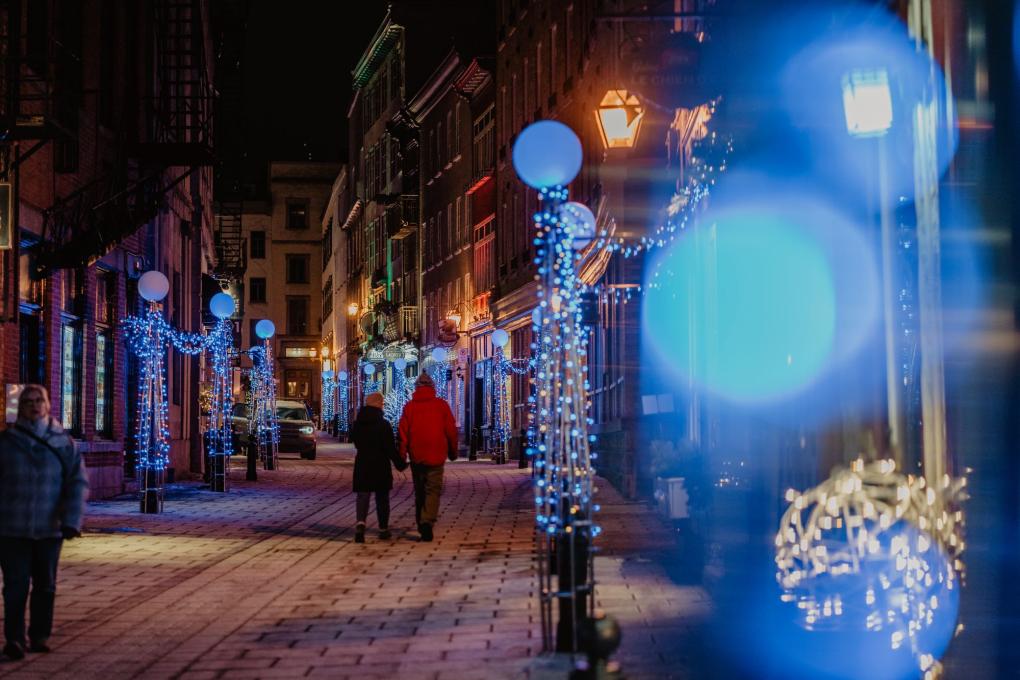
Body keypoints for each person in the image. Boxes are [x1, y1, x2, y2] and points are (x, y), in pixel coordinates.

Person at [0, 385, 88, 660]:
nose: (34, 406)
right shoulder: (6, 442)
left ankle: (39, 635)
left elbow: (77, 484)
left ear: (48, 405)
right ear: (20, 407)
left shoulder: (64, 443)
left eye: (40, 401)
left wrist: (72, 520)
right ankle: (14, 639)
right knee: (14, 586)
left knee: (45, 585)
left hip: (50, 529)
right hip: (11, 528)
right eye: (28, 402)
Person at [398, 372, 458, 542]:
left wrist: (403, 454)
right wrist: (453, 452)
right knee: (433, 489)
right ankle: (427, 521)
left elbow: (403, 433)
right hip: (436, 454)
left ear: (416, 388)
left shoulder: (409, 407)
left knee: (420, 491)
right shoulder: (441, 405)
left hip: (417, 455)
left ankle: (421, 521)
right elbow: (451, 431)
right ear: (432, 388)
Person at [349, 392, 406, 543]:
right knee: (382, 497)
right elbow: (390, 448)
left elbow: (355, 442)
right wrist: (400, 464)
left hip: (363, 463)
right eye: (382, 403)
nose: (383, 405)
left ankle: (360, 525)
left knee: (363, 496)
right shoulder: (383, 424)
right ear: (378, 404)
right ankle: (383, 529)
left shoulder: (358, 424)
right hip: (380, 465)